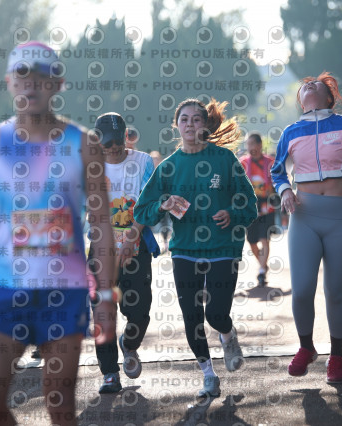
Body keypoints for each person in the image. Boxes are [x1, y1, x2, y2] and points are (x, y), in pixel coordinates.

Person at [0, 42, 116, 426]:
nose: (32, 85)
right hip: (6, 290)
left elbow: (102, 225)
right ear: (9, 82)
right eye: (23, 76)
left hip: (65, 292)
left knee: (60, 406)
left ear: (58, 84)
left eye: (42, 77)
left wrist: (106, 298)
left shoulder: (84, 144)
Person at [134, 98, 257, 398]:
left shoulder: (225, 159)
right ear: (176, 125)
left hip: (223, 247)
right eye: (184, 119)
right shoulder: (169, 166)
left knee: (216, 313)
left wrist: (232, 213)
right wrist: (163, 204)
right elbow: (142, 211)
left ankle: (227, 335)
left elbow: (249, 204)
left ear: (204, 125)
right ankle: (208, 375)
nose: (190, 124)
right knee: (192, 316)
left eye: (196, 119)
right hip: (184, 250)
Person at [271, 72, 342, 384]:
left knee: (335, 291)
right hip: (304, 215)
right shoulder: (291, 132)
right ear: (300, 100)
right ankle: (306, 347)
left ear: (329, 97)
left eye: (317, 83)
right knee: (302, 290)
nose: (309, 84)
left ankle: (336, 356)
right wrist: (285, 191)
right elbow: (277, 171)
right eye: (305, 84)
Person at [90, 112, 160, 393]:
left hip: (136, 249)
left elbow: (148, 202)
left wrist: (133, 234)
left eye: (118, 141)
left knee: (139, 313)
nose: (114, 148)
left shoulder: (142, 162)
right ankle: (109, 373)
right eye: (107, 144)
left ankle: (129, 344)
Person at [239, 132, 278, 286]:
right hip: (250, 208)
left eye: (252, 144)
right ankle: (263, 264)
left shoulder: (270, 163)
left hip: (267, 206)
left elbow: (278, 183)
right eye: (247, 144)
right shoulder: (243, 163)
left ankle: (261, 271)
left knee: (264, 238)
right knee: (252, 241)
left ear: (260, 145)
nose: (249, 147)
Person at [149, 150, 171, 252]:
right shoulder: (147, 172)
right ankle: (151, 245)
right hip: (151, 202)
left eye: (156, 159)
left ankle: (165, 244)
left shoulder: (164, 170)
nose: (155, 161)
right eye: (153, 159)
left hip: (164, 201)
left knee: (164, 222)